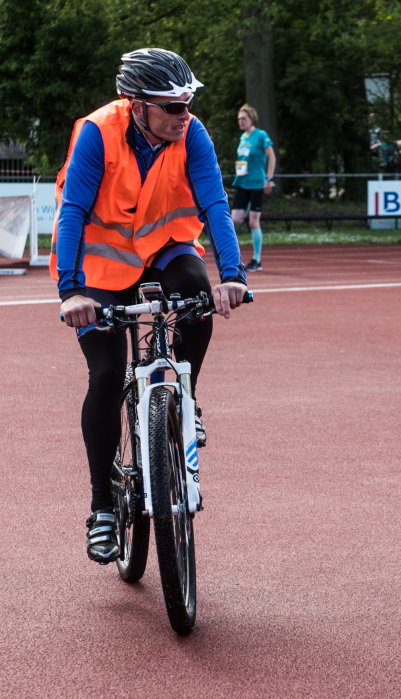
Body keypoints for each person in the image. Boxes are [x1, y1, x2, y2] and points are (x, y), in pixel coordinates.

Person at [52, 48, 248, 564]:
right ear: (136, 105)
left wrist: (233, 276)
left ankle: (189, 397)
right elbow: (72, 210)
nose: (184, 116)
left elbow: (214, 203)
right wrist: (71, 291)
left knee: (198, 295)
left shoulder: (193, 133)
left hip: (164, 249)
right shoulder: (97, 132)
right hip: (98, 266)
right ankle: (101, 508)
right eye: (172, 107)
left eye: (187, 104)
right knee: (106, 373)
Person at [231, 104, 275, 272]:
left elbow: (272, 156)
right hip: (242, 182)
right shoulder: (243, 138)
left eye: (244, 119)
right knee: (235, 219)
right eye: (239, 119)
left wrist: (269, 179)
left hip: (257, 182)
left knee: (253, 221)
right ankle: (234, 257)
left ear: (252, 119)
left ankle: (256, 259)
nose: (241, 122)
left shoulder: (261, 135)